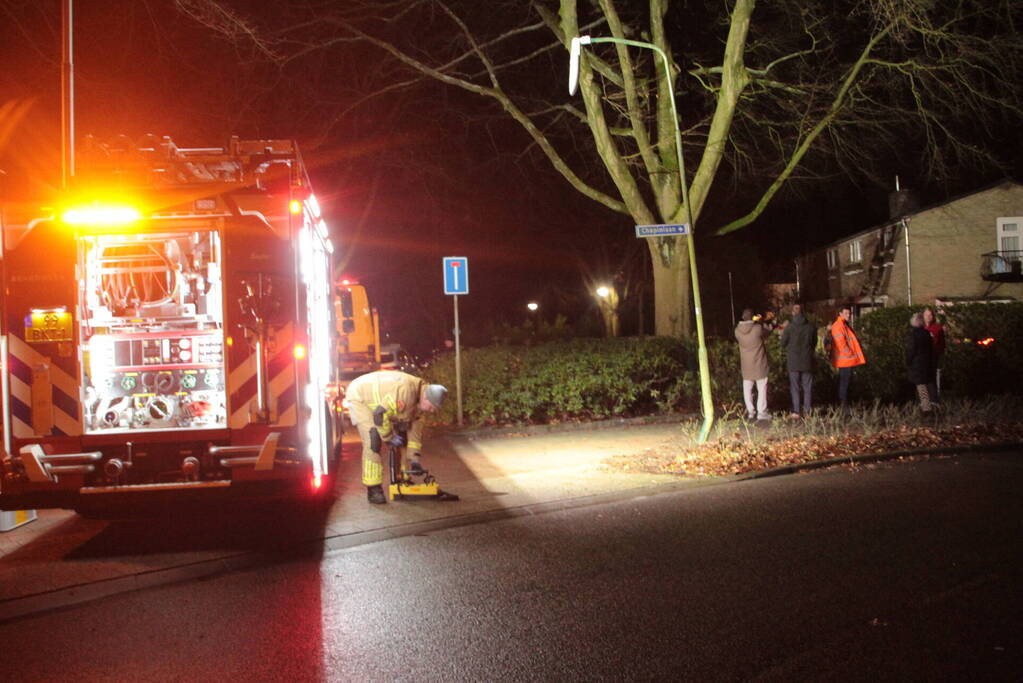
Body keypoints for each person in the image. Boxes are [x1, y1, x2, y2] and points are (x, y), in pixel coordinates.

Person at [345, 370, 448, 504]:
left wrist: (414, 461)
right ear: (425, 397)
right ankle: (373, 489)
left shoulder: (420, 405)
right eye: (432, 407)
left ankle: (404, 480)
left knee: (402, 440)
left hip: (383, 409)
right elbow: (380, 414)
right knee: (373, 441)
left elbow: (414, 436)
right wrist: (388, 437)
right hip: (360, 398)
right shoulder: (405, 392)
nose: (432, 411)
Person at [735, 308, 774, 420]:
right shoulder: (757, 328)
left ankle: (751, 411)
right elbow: (768, 331)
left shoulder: (737, 331)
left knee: (747, 389)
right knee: (761, 388)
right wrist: (761, 322)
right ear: (752, 317)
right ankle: (761, 412)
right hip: (759, 363)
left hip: (746, 365)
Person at [779, 303, 817, 417]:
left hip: (793, 361)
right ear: (803, 313)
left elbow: (782, 343)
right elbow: (814, 342)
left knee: (795, 387)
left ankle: (796, 411)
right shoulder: (811, 327)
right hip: (807, 361)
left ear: (792, 313)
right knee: (807, 386)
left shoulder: (789, 328)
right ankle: (807, 411)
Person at [829, 305, 866, 406]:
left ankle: (843, 401)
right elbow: (841, 343)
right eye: (846, 313)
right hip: (846, 360)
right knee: (844, 382)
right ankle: (842, 402)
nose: (848, 315)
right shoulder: (839, 325)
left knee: (845, 381)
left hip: (846, 359)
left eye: (849, 313)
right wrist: (850, 354)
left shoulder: (842, 324)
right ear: (840, 314)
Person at [906, 312, 934, 412]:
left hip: (916, 364)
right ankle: (926, 405)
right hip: (926, 363)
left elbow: (911, 350)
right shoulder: (926, 333)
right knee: (924, 385)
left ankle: (926, 408)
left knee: (920, 386)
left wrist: (908, 361)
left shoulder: (913, 334)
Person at [922, 306, 945, 403]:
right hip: (921, 359)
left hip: (932, 358)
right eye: (926, 315)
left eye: (930, 315)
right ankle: (924, 404)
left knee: (931, 380)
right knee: (922, 382)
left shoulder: (937, 328)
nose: (928, 317)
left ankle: (934, 402)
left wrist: (936, 353)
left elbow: (942, 344)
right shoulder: (920, 328)